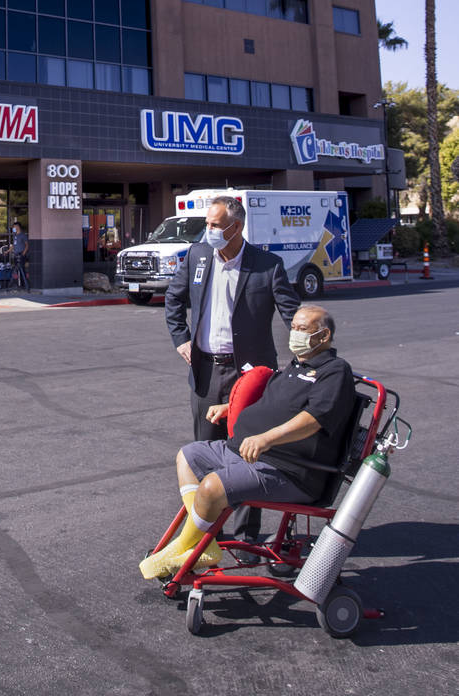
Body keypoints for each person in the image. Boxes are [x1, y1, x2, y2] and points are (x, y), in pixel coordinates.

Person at [140, 305, 356, 578]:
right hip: (244, 451)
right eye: (294, 328)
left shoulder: (334, 371)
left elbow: (315, 419)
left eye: (303, 329)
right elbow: (271, 404)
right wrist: (228, 408)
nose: (294, 334)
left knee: (211, 487)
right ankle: (205, 543)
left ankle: (185, 547)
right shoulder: (296, 366)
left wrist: (266, 438)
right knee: (188, 456)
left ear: (323, 336)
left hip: (287, 468)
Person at [164, 194, 300, 546]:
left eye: (213, 225)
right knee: (204, 453)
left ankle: (246, 537)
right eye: (207, 224)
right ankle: (207, 536)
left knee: (247, 455)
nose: (206, 231)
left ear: (235, 227)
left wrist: (309, 356)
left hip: (249, 377)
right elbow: (174, 299)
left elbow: (292, 314)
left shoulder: (267, 266)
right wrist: (181, 339)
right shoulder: (198, 255)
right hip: (206, 371)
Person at [10, 220, 29, 289]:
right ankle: (18, 283)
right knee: (16, 269)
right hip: (16, 255)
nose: (13, 228)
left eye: (14, 227)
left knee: (22, 269)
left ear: (18, 227)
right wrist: (8, 251)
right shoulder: (15, 235)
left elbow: (27, 245)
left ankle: (24, 284)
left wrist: (23, 254)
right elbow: (13, 245)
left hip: (21, 255)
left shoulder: (22, 235)